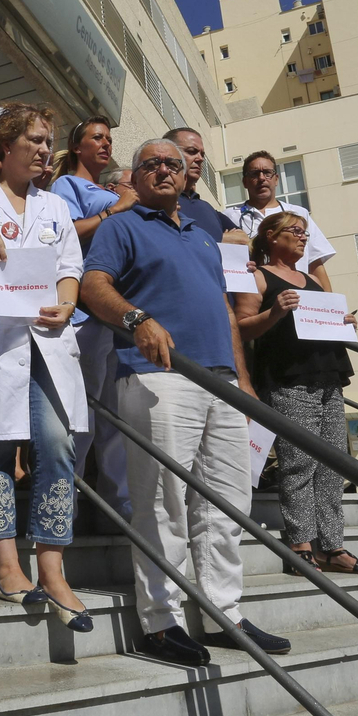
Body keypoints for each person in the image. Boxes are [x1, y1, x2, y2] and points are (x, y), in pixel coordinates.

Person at [81, 138, 292, 666]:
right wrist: (136, 319)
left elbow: (224, 310)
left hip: (220, 383)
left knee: (226, 505)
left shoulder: (204, 235)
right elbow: (92, 285)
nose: (163, 171)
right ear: (135, 176)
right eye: (149, 164)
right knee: (163, 503)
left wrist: (243, 381)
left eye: (172, 165)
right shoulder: (121, 226)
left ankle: (225, 613)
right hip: (158, 377)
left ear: (185, 176)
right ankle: (161, 620)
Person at [0, 105, 91, 631]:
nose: (44, 148)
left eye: (48, 140)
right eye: (33, 139)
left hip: (48, 339)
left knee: (56, 444)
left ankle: (52, 569)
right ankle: (8, 566)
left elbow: (70, 267)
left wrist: (68, 303)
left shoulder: (54, 207)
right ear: (4, 147)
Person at [233, 213, 358, 576]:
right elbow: (243, 327)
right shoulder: (259, 276)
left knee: (333, 465)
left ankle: (332, 546)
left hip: (327, 375)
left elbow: (322, 321)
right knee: (298, 463)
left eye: (303, 232)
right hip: (287, 378)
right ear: (270, 237)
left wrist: (343, 323)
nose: (302, 237)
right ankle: (300, 545)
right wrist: (276, 312)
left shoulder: (311, 279)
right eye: (294, 231)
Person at [49, 117, 137, 524]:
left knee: (113, 418)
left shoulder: (112, 188)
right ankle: (65, 500)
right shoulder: (67, 186)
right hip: (83, 314)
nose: (105, 144)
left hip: (116, 319)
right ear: (77, 145)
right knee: (79, 415)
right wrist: (114, 211)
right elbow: (62, 234)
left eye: (108, 139)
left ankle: (117, 504)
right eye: (96, 138)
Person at [226, 150, 335, 290]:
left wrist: (332, 307)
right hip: (253, 294)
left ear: (276, 179)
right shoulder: (229, 216)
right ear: (245, 182)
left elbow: (315, 264)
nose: (261, 178)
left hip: (299, 295)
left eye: (267, 173)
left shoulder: (299, 214)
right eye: (254, 174)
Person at [163, 127, 249, 247]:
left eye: (202, 154)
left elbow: (243, 240)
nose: (200, 158)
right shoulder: (157, 202)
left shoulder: (207, 208)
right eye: (192, 151)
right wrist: (220, 239)